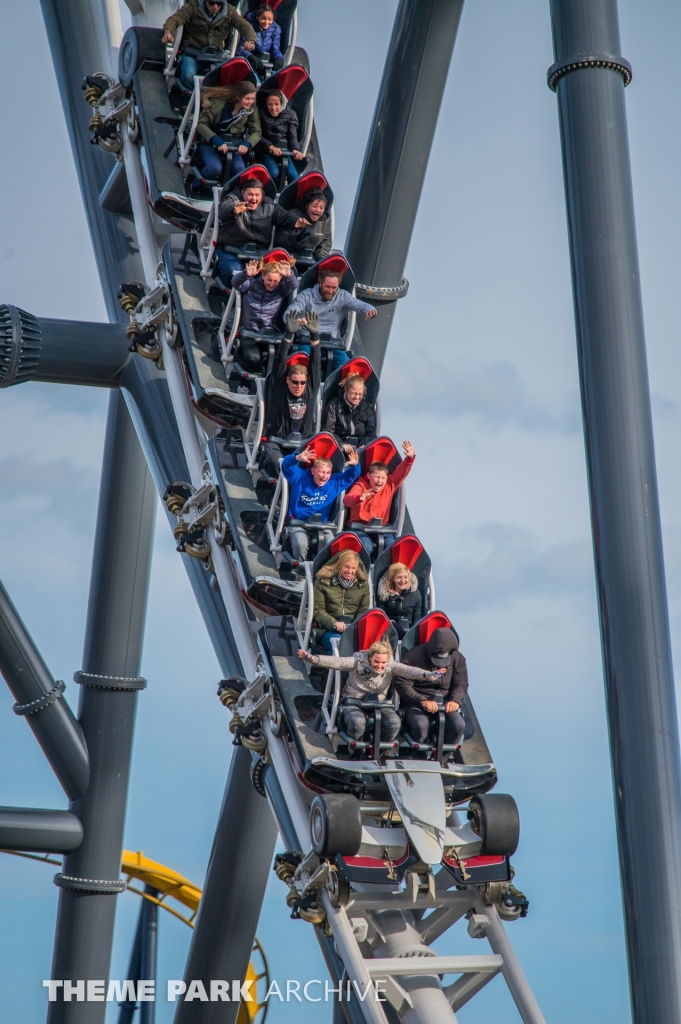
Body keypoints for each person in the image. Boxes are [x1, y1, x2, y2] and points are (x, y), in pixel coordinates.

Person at [298, 639, 441, 745]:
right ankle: (355, 749)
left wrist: (428, 675)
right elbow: (336, 662)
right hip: (354, 701)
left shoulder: (391, 666)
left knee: (394, 722)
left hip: (378, 703)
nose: (380, 666)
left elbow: (409, 671)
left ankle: (381, 750)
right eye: (376, 662)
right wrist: (312, 658)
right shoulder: (357, 662)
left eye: (383, 663)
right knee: (357, 722)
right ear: (369, 658)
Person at [259, 311, 320, 479]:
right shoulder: (280, 387)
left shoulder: (310, 389)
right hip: (277, 444)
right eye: (295, 382)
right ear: (287, 380)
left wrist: (314, 335)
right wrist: (289, 334)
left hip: (302, 446)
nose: (299, 386)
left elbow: (315, 363)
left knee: (321, 466)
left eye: (302, 383)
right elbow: (279, 361)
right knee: (275, 460)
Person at [215, 176, 308, 285]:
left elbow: (283, 216)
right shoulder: (233, 199)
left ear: (262, 194)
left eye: (257, 195)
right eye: (250, 194)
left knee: (275, 277)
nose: (254, 199)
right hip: (231, 249)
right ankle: (227, 299)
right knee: (233, 272)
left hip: (259, 253)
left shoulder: (269, 205)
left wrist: (296, 222)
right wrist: (234, 210)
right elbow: (224, 209)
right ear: (242, 192)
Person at [285, 267, 377, 371]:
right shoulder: (306, 295)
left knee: (348, 369)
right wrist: (294, 321)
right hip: (307, 341)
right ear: (320, 283)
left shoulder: (342, 296)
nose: (331, 291)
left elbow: (360, 305)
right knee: (301, 365)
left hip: (332, 342)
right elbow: (290, 312)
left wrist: (369, 309)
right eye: (328, 287)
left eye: (334, 287)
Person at [281, 445, 360, 561]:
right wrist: (297, 458)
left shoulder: (333, 482)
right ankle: (301, 571)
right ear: (313, 471)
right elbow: (286, 466)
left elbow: (351, 475)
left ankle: (322, 573)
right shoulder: (300, 477)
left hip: (322, 526)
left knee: (333, 547)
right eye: (322, 472)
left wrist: (355, 465)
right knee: (300, 544)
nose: (325, 476)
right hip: (299, 524)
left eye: (328, 473)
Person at [162, 0, 256, 93]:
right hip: (193, 51)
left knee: (226, 79)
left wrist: (250, 40)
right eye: (211, 3)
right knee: (188, 76)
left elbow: (244, 25)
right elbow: (176, 18)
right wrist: (168, 32)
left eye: (219, 4)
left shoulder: (230, 11)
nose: (215, 6)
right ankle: (192, 98)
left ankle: (210, 101)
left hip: (216, 55)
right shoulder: (192, 6)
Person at [397, 627, 468, 749]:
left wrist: (455, 700)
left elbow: (461, 684)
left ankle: (445, 758)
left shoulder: (458, 658)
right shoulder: (412, 657)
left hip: (445, 702)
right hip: (416, 703)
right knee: (420, 725)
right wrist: (422, 701)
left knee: (458, 725)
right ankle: (417, 757)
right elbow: (401, 683)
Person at [343, 441, 416, 555]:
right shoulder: (361, 485)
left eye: (383, 478)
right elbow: (347, 500)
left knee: (391, 548)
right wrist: (360, 498)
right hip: (359, 527)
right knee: (366, 546)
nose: (380, 481)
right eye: (377, 477)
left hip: (381, 528)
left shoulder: (389, 485)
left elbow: (401, 473)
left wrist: (410, 458)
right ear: (368, 476)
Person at [231, 252, 298, 370]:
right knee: (253, 358)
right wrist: (245, 274)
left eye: (275, 281)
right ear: (263, 276)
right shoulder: (252, 284)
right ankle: (244, 383)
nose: (272, 284)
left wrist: (289, 275)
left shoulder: (281, 290)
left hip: (269, 333)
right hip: (248, 332)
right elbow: (236, 283)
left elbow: (293, 286)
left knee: (282, 358)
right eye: (269, 280)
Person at [195, 82, 261, 188]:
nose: (250, 102)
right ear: (238, 97)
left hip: (233, 145)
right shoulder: (218, 104)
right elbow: (201, 124)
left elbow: (257, 132)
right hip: (210, 142)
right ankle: (195, 187)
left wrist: (247, 144)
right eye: (247, 99)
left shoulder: (251, 109)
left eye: (252, 99)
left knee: (239, 169)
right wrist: (216, 140)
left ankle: (228, 193)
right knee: (214, 168)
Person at [312, 550, 370, 652]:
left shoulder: (362, 586)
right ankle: (335, 667)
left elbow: (362, 612)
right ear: (339, 566)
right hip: (326, 629)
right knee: (340, 644)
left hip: (352, 630)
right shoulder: (323, 583)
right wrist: (334, 623)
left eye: (353, 568)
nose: (350, 571)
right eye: (347, 567)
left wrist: (354, 627)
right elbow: (318, 611)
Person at [257, 89, 305, 184]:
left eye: (276, 104)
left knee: (293, 175)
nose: (273, 108)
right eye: (270, 104)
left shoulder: (290, 114)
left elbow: (292, 136)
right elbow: (256, 134)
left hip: (283, 150)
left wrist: (295, 149)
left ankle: (289, 196)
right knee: (274, 172)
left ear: (281, 104)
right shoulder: (260, 113)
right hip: (265, 149)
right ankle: (270, 193)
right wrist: (270, 146)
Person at [322, 371, 377, 453]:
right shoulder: (333, 406)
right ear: (346, 390)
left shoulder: (368, 408)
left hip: (359, 449)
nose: (357, 397)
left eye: (360, 394)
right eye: (353, 393)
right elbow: (328, 430)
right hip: (337, 447)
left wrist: (364, 444)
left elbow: (371, 434)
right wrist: (342, 444)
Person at [275, 187, 332, 262]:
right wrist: (296, 239)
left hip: (311, 259)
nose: (318, 210)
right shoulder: (293, 215)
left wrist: (320, 260)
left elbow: (325, 244)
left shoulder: (325, 220)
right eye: (314, 206)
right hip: (289, 257)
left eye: (321, 208)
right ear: (307, 206)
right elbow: (280, 237)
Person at [376, 562, 423, 637]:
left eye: (405, 577)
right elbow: (382, 615)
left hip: (409, 627)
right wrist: (393, 597)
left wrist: (414, 633)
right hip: (390, 627)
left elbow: (417, 616)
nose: (403, 580)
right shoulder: (384, 594)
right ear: (393, 579)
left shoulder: (415, 594)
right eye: (399, 577)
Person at [237, 4, 284, 74]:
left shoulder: (275, 29)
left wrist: (278, 58)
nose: (266, 22)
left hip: (265, 62)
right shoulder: (248, 27)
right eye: (263, 19)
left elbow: (275, 49)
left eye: (269, 19)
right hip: (250, 62)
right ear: (257, 17)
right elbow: (240, 49)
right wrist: (251, 57)